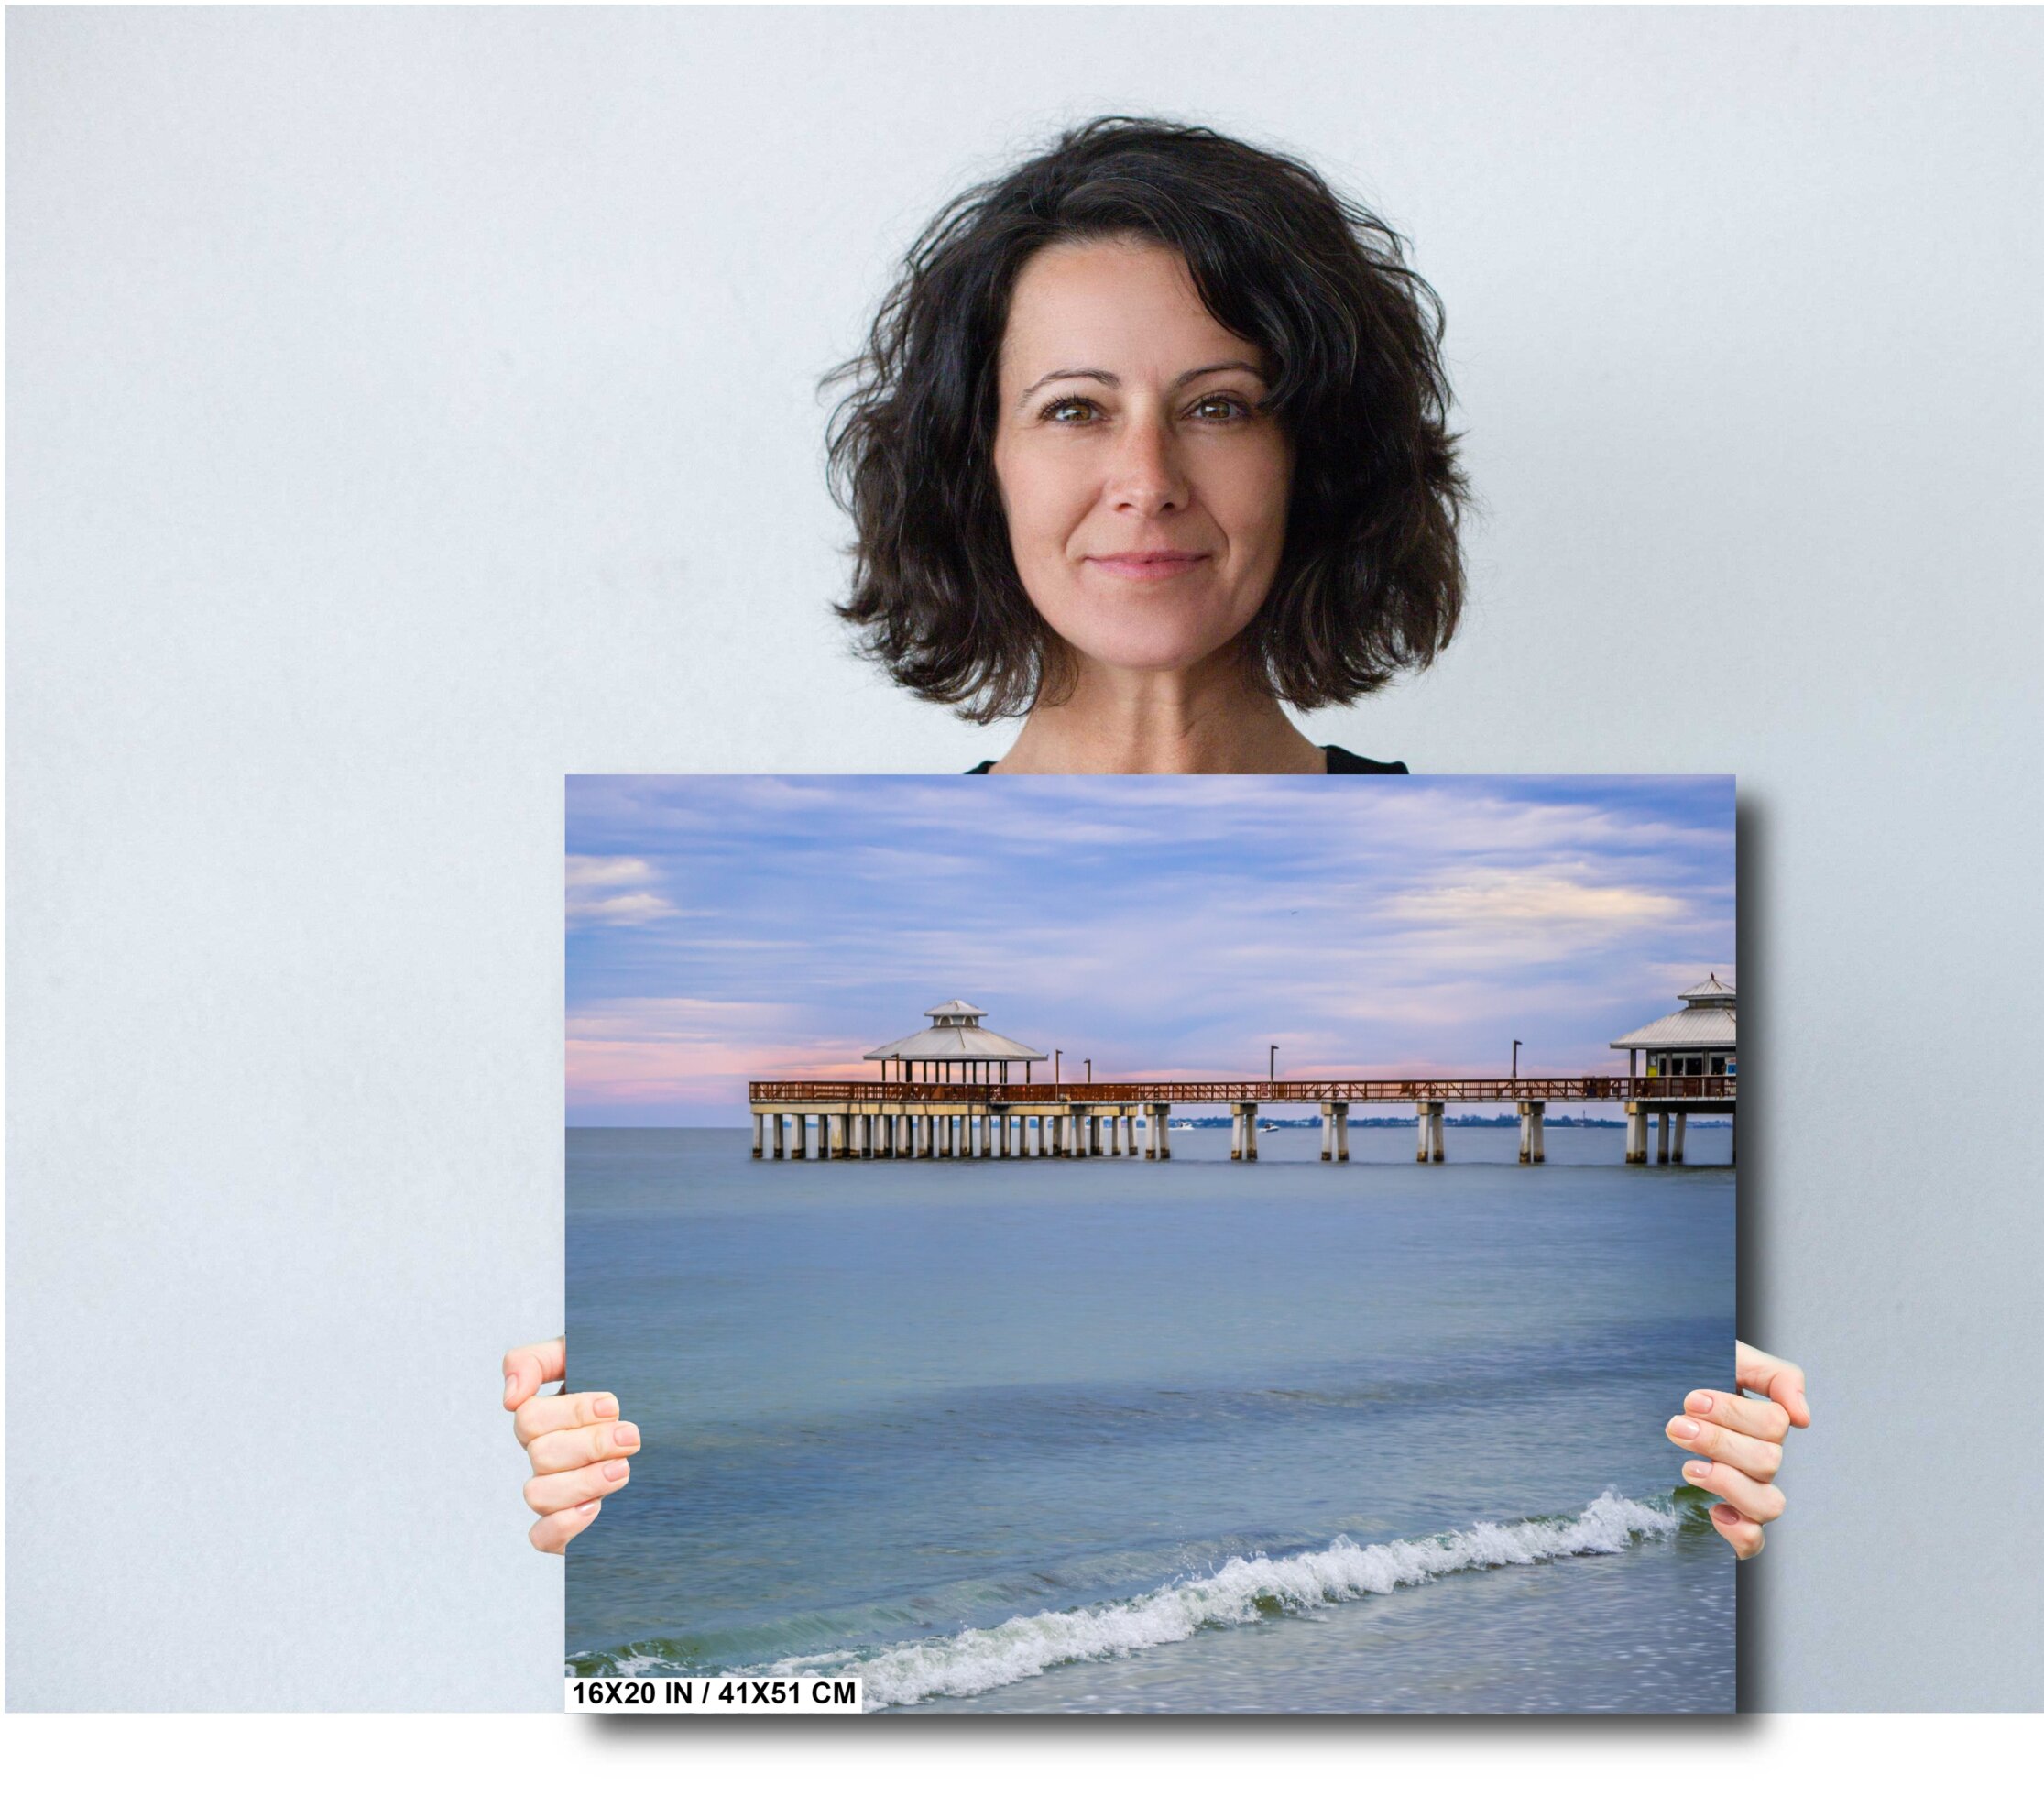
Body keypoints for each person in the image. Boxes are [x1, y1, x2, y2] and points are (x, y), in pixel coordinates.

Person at [507, 115, 1809, 1562]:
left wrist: (1727, 1468)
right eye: (1073, 408)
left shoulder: (1565, 876)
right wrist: (616, 1467)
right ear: (977, 463)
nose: (1148, 478)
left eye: (1222, 404)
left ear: (1315, 460)